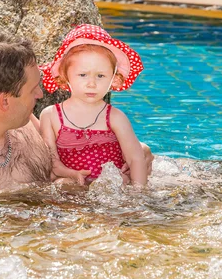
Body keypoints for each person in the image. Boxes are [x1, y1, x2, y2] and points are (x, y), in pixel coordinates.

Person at [0, 32, 152, 193]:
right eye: (33, 88)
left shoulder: (11, 116)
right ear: (4, 101)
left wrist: (136, 154)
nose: (40, 94)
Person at [38, 24, 148, 186]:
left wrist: (139, 196)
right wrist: (73, 175)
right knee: (61, 184)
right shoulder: (50, 115)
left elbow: (135, 158)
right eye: (83, 75)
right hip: (72, 181)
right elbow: (53, 163)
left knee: (119, 181)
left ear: (114, 78)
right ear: (64, 74)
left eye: (101, 76)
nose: (92, 84)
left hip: (109, 185)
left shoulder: (115, 117)